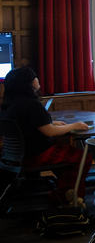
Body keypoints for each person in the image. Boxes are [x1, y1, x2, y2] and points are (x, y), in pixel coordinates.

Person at [0, 67, 88, 205]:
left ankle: (69, 193)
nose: (37, 79)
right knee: (83, 156)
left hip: (15, 156)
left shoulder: (9, 104)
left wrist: (52, 123)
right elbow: (49, 132)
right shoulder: (31, 104)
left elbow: (30, 125)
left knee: (67, 161)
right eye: (34, 76)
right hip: (36, 154)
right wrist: (73, 126)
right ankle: (63, 194)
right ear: (27, 83)